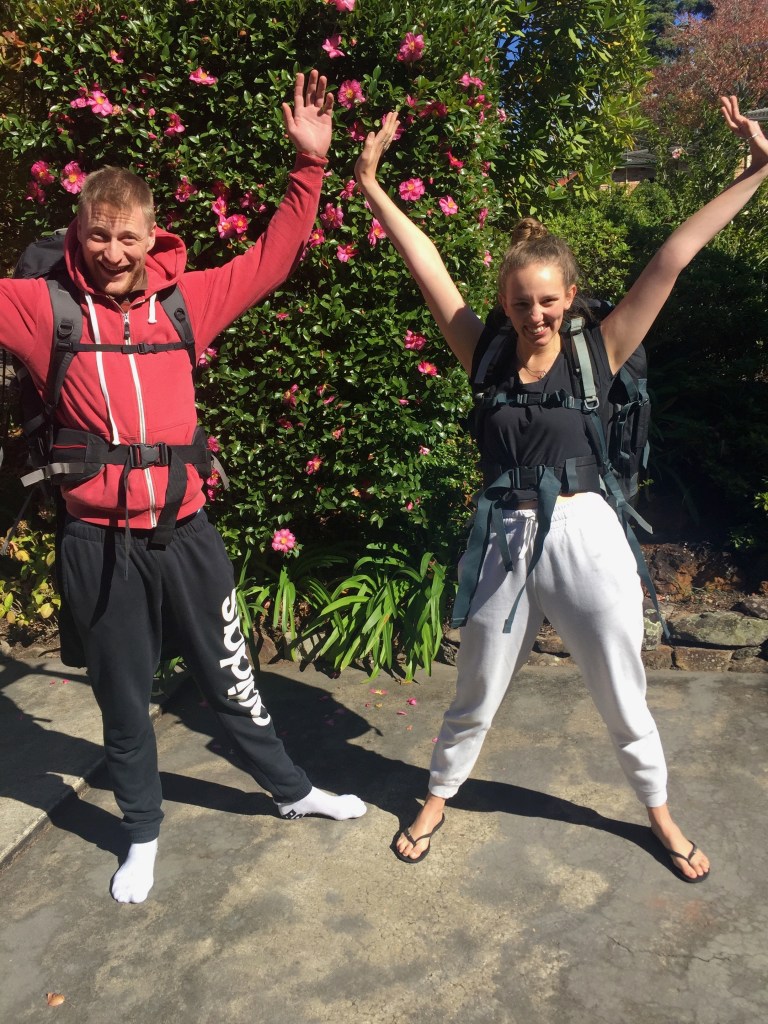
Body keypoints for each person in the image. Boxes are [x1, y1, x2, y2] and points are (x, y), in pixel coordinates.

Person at [354, 95, 768, 880]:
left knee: (621, 688)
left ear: (570, 297)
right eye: (521, 303)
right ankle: (438, 794)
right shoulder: (483, 351)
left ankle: (660, 812)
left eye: (548, 300)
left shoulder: (600, 349)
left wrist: (757, 171)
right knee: (475, 685)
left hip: (586, 534)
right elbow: (426, 265)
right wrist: (371, 184)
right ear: (503, 304)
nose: (535, 314)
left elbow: (673, 257)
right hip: (504, 538)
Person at [0, 71, 366, 904]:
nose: (113, 252)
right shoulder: (44, 309)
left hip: (188, 534)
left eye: (128, 237)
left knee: (233, 678)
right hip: (98, 545)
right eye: (98, 235)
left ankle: (291, 790)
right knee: (124, 703)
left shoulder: (185, 302)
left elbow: (272, 259)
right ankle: (142, 833)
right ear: (78, 231)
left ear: (152, 234)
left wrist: (310, 165)